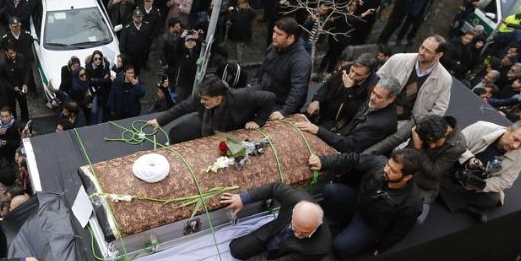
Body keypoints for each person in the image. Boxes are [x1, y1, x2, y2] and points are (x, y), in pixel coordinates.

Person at [310, 147, 423, 257]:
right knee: (330, 190)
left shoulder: (413, 202)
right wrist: (324, 161)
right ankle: (342, 217)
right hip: (359, 200)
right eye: (388, 164)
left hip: (370, 222)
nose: (386, 170)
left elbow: (399, 230)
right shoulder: (380, 163)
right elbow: (353, 159)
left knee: (340, 248)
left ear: (407, 177)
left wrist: (382, 246)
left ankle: (350, 226)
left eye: (393, 170)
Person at [218, 183, 331, 261]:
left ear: (318, 225)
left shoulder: (319, 248)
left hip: (284, 257)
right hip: (274, 234)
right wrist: (244, 198)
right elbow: (274, 187)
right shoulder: (296, 198)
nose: (297, 235)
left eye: (305, 233)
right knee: (236, 249)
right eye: (295, 228)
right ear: (293, 213)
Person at [368, 35, 453, 151]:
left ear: (439, 55)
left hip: (407, 122)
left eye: (428, 51)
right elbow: (377, 79)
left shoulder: (445, 79)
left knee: (389, 149)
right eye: (422, 47)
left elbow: (439, 110)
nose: (422, 52)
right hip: (379, 109)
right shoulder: (398, 59)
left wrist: (419, 126)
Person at [440, 120, 521, 222]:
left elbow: (506, 181)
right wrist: (469, 159)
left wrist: (479, 185)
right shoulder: (482, 127)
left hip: (478, 180)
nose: (516, 146)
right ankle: (465, 207)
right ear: (508, 130)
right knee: (438, 168)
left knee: (493, 199)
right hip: (455, 164)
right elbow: (456, 143)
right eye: (515, 139)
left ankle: (444, 191)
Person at [146, 78, 282, 144]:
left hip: (232, 127)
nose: (201, 102)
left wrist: (258, 120)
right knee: (177, 133)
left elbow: (270, 97)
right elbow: (181, 108)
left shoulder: (241, 97)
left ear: (218, 99)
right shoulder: (199, 97)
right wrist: (159, 120)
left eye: (205, 99)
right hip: (207, 122)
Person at [295, 78, 399, 154]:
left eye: (379, 97)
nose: (372, 98)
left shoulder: (381, 124)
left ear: (391, 99)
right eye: (373, 92)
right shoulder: (376, 102)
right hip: (343, 137)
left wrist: (318, 130)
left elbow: (350, 146)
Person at [256, 17, 312, 115]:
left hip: (280, 103)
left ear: (290, 38)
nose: (274, 36)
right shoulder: (274, 46)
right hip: (263, 90)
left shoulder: (301, 60)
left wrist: (283, 112)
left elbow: (298, 90)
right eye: (274, 32)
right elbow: (262, 69)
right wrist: (254, 85)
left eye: (279, 34)